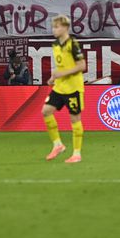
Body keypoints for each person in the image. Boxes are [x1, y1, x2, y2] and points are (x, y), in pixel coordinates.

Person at [42, 14, 86, 164]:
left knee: (75, 119)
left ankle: (77, 154)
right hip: (60, 86)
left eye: (57, 27)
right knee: (46, 111)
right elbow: (62, 65)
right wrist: (54, 77)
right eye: (53, 27)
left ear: (66, 28)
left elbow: (82, 66)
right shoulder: (55, 45)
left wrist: (62, 73)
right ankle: (58, 145)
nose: (54, 29)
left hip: (73, 87)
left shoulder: (72, 43)